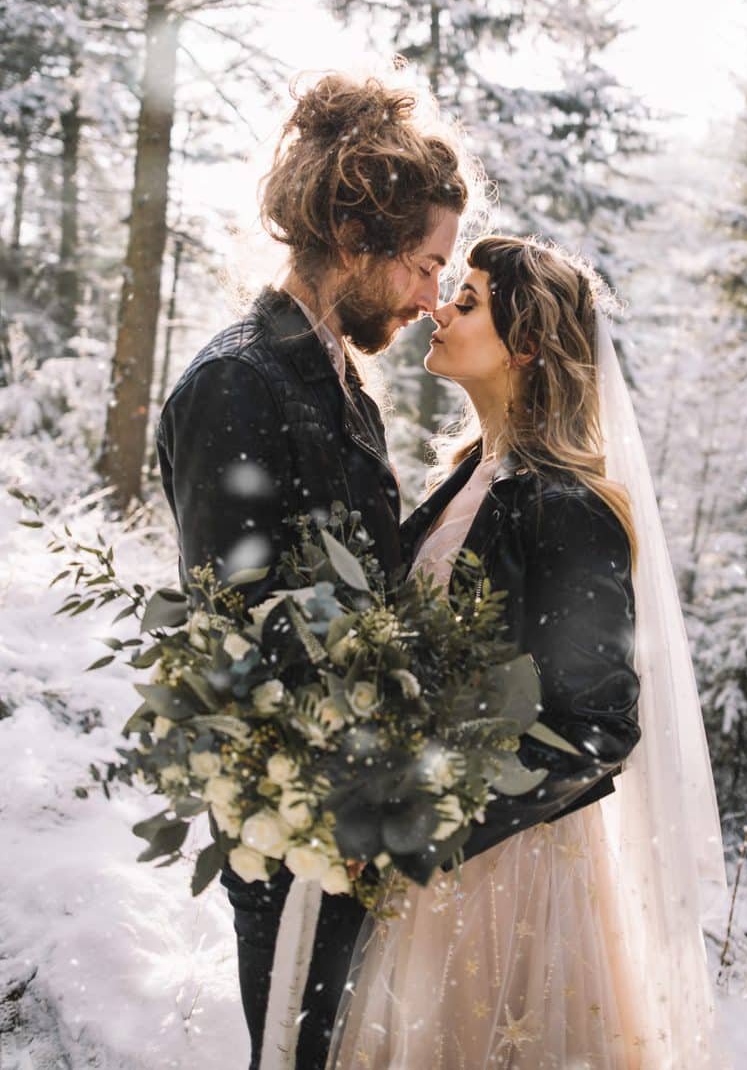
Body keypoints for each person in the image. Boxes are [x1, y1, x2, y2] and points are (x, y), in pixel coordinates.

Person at [325, 236, 731, 1070]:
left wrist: (428, 824)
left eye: (467, 302)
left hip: (506, 879)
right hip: (428, 871)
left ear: (531, 345)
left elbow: (598, 725)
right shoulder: (469, 477)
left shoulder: (569, 506)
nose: (439, 306)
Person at [155, 72, 470, 1070]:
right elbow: (232, 629)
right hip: (292, 822)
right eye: (424, 265)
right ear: (353, 241)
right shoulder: (240, 382)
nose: (431, 297)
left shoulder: (342, 383)